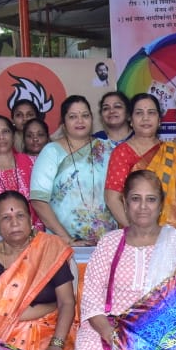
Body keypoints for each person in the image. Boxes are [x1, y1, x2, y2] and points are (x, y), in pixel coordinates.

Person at [75, 171, 176, 350]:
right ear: (125, 203)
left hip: (160, 335)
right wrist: (112, 336)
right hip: (106, 333)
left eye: (151, 199)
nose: (143, 206)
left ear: (161, 204)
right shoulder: (109, 243)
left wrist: (148, 337)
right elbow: (92, 301)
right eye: (135, 199)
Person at [0, 191, 75, 350]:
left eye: (20, 215)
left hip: (50, 335)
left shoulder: (50, 249)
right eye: (6, 218)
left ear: (31, 220)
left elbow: (67, 302)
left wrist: (56, 345)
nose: (14, 223)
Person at [30, 95, 117, 245]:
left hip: (107, 242)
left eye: (85, 115)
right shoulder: (52, 152)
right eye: (73, 117)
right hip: (63, 243)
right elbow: (39, 201)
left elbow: (120, 196)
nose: (80, 121)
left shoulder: (108, 149)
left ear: (92, 119)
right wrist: (68, 239)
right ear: (63, 123)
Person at [105, 93, 176, 231]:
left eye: (151, 112)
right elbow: (112, 199)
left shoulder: (175, 152)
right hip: (134, 234)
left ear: (159, 120)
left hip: (172, 234)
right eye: (139, 113)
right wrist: (137, 232)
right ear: (131, 120)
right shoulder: (122, 153)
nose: (145, 118)